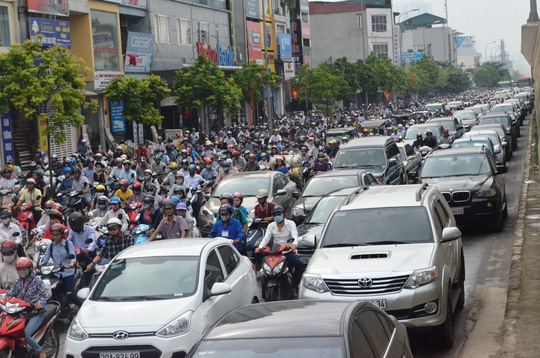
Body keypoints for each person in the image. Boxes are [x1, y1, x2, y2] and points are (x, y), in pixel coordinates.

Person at [255, 205, 303, 297]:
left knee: (299, 264)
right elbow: (266, 239)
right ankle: (264, 297)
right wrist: (260, 247)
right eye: (275, 215)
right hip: (275, 252)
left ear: (283, 214)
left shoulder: (291, 224)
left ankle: (294, 287)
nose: (277, 216)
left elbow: (294, 236)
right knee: (264, 270)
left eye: (279, 214)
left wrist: (294, 244)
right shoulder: (271, 226)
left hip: (288, 251)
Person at [8, 257, 47, 358]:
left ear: (29, 269)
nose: (22, 272)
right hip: (21, 313)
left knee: (25, 335)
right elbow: (10, 295)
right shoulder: (17, 282)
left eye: (24, 269)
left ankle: (40, 351)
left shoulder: (37, 281)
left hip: (35, 314)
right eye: (20, 270)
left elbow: (43, 296)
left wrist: (39, 305)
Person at [41, 223, 82, 309]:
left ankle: (82, 307)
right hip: (56, 273)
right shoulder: (51, 245)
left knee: (70, 296)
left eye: (57, 234)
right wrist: (37, 266)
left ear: (62, 234)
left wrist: (71, 264)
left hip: (68, 272)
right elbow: (45, 259)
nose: (55, 237)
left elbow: (73, 257)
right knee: (51, 291)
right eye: (53, 235)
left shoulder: (68, 244)